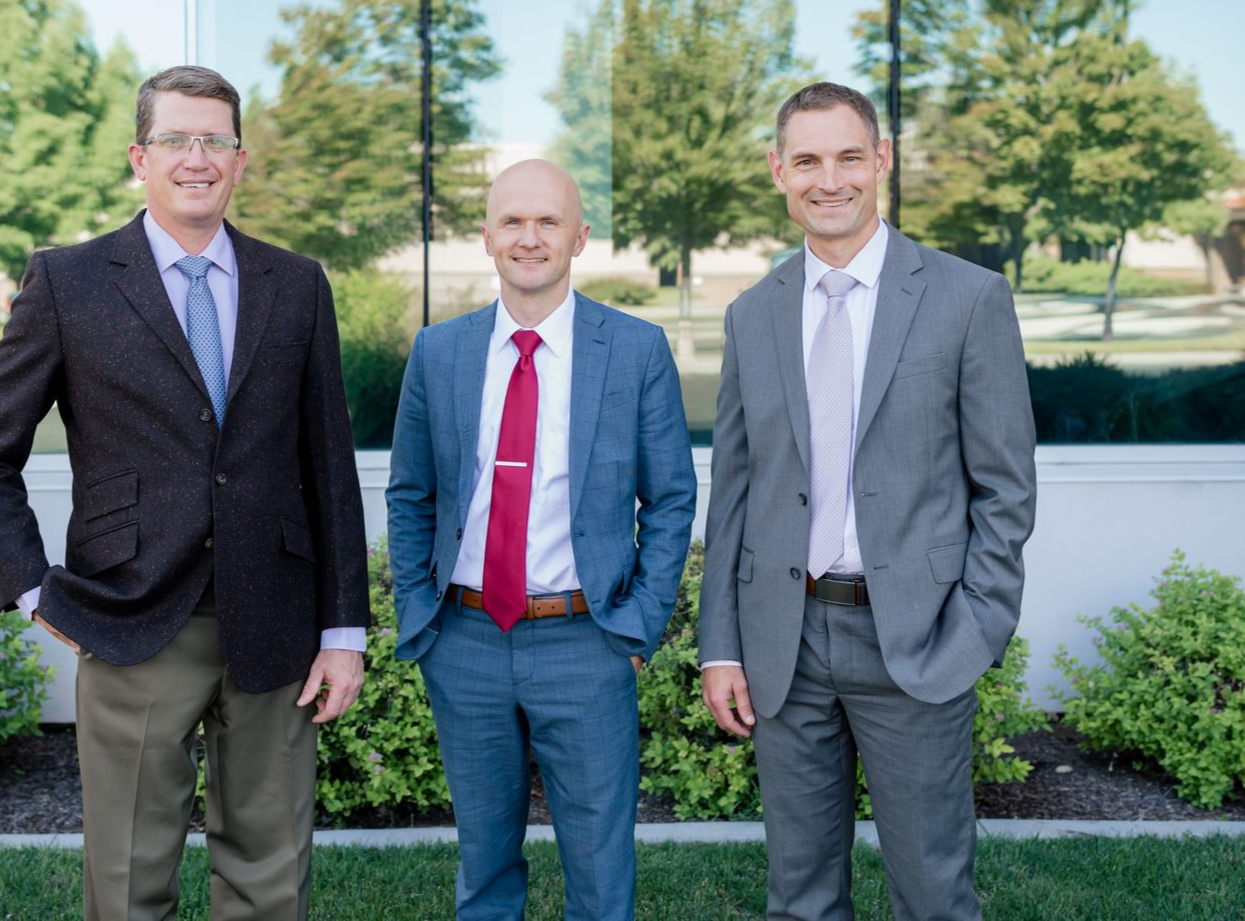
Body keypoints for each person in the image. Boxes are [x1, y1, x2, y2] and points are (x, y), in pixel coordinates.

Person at [0, 65, 369, 921]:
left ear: (241, 161)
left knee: (271, 873)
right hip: (129, 613)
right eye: (176, 138)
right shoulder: (67, 282)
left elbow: (329, 464)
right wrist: (34, 591)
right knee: (130, 880)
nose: (197, 157)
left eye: (215, 140)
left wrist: (344, 627)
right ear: (140, 157)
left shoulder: (296, 284)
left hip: (276, 619)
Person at [698, 82, 1038, 921]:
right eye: (807, 160)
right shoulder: (752, 314)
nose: (830, 179)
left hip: (917, 639)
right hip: (788, 639)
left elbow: (1006, 487)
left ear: (882, 160)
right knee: (800, 896)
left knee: (932, 893)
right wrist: (720, 647)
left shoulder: (968, 298)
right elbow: (735, 491)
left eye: (850, 156)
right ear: (779, 171)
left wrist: (975, 628)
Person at [386, 159, 696, 921]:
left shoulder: (634, 349)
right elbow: (411, 493)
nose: (530, 237)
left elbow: (671, 498)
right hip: (465, 638)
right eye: (513, 221)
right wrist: (421, 612)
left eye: (549, 221)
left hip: (585, 638)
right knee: (484, 857)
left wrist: (636, 621)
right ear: (486, 236)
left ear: (579, 237)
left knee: (598, 859)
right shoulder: (439, 352)